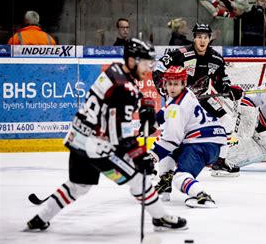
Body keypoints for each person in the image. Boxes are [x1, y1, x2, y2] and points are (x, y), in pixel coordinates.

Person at [26, 38, 187, 232]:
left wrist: (141, 104)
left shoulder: (113, 71)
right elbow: (120, 135)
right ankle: (160, 218)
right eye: (145, 62)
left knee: (79, 185)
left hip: (78, 138)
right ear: (131, 61)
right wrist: (139, 156)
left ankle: (40, 218)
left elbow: (113, 102)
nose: (148, 67)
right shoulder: (126, 90)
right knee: (138, 179)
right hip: (99, 148)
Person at [152, 23, 243, 187]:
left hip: (202, 98)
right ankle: (164, 171)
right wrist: (162, 87)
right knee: (174, 133)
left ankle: (220, 161)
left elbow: (222, 82)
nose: (202, 40)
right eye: (199, 37)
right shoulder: (181, 54)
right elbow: (158, 68)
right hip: (182, 100)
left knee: (227, 121)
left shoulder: (216, 58)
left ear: (209, 39)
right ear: (194, 38)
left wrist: (230, 90)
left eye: (205, 37)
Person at [149, 66, 226, 207]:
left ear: (183, 83)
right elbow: (165, 112)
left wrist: (151, 157)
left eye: (176, 84)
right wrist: (153, 123)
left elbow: (172, 139)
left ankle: (202, 195)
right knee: (169, 151)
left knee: (180, 176)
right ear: (165, 83)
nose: (172, 88)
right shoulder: (187, 93)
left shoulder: (176, 107)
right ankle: (165, 183)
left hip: (201, 143)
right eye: (169, 84)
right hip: (213, 139)